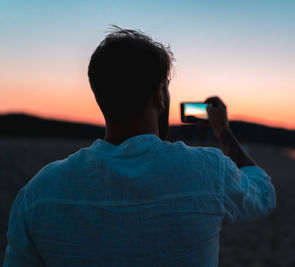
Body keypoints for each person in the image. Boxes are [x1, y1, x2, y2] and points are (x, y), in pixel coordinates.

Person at [4, 26, 276, 266]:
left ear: (100, 95)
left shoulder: (38, 193)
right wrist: (222, 130)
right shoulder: (209, 171)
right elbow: (263, 195)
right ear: (159, 94)